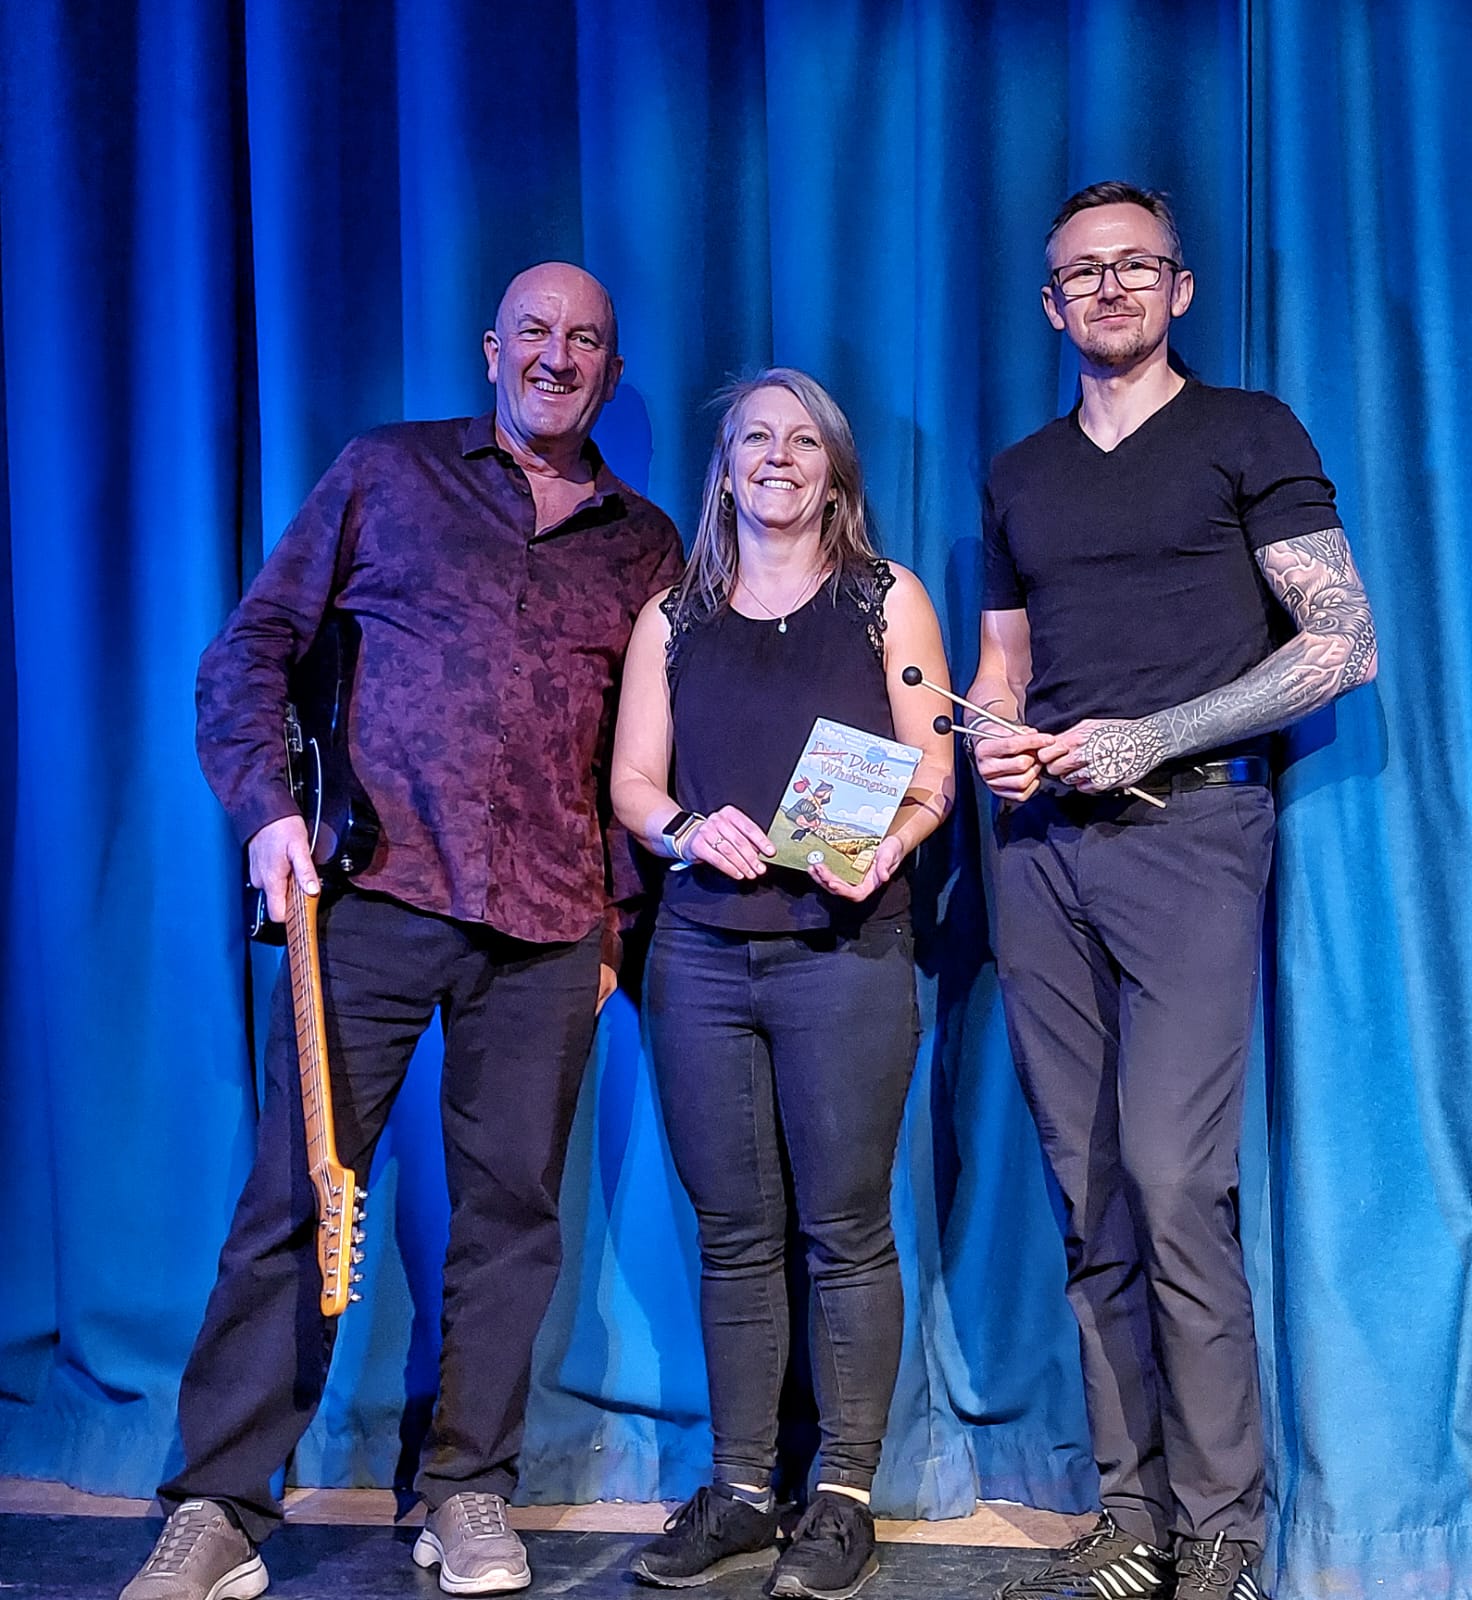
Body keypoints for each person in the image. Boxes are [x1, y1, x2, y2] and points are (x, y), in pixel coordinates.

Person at [121, 263, 683, 1600]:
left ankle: (468, 1489)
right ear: (492, 348)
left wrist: (619, 927)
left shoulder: (645, 545)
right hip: (367, 895)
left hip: (549, 922)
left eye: (585, 341)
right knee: (295, 1198)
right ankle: (219, 1507)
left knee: (511, 1216)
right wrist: (266, 811)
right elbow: (250, 650)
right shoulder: (387, 472)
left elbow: (648, 747)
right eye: (535, 331)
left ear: (611, 373)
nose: (557, 356)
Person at [968, 183, 1377, 1600]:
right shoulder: (1020, 472)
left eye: (1135, 265)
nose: (1110, 287)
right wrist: (993, 744)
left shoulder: (1246, 432)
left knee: (1173, 1178)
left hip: (1190, 831)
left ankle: (1223, 1528)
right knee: (1088, 1194)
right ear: (1050, 304)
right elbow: (1002, 668)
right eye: (1082, 272)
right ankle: (1133, 1515)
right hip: (1040, 856)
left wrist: (1153, 736)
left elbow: (1341, 643)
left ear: (1180, 289)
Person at [611, 368, 955, 1599]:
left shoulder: (885, 599)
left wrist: (891, 845)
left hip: (842, 953)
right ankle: (743, 1491)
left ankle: (841, 1498)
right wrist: (682, 827)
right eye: (753, 438)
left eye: (801, 440)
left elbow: (932, 773)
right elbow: (632, 784)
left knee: (844, 1228)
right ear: (722, 470)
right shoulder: (670, 617)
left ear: (832, 471)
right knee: (734, 1233)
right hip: (700, 958)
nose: (774, 456)